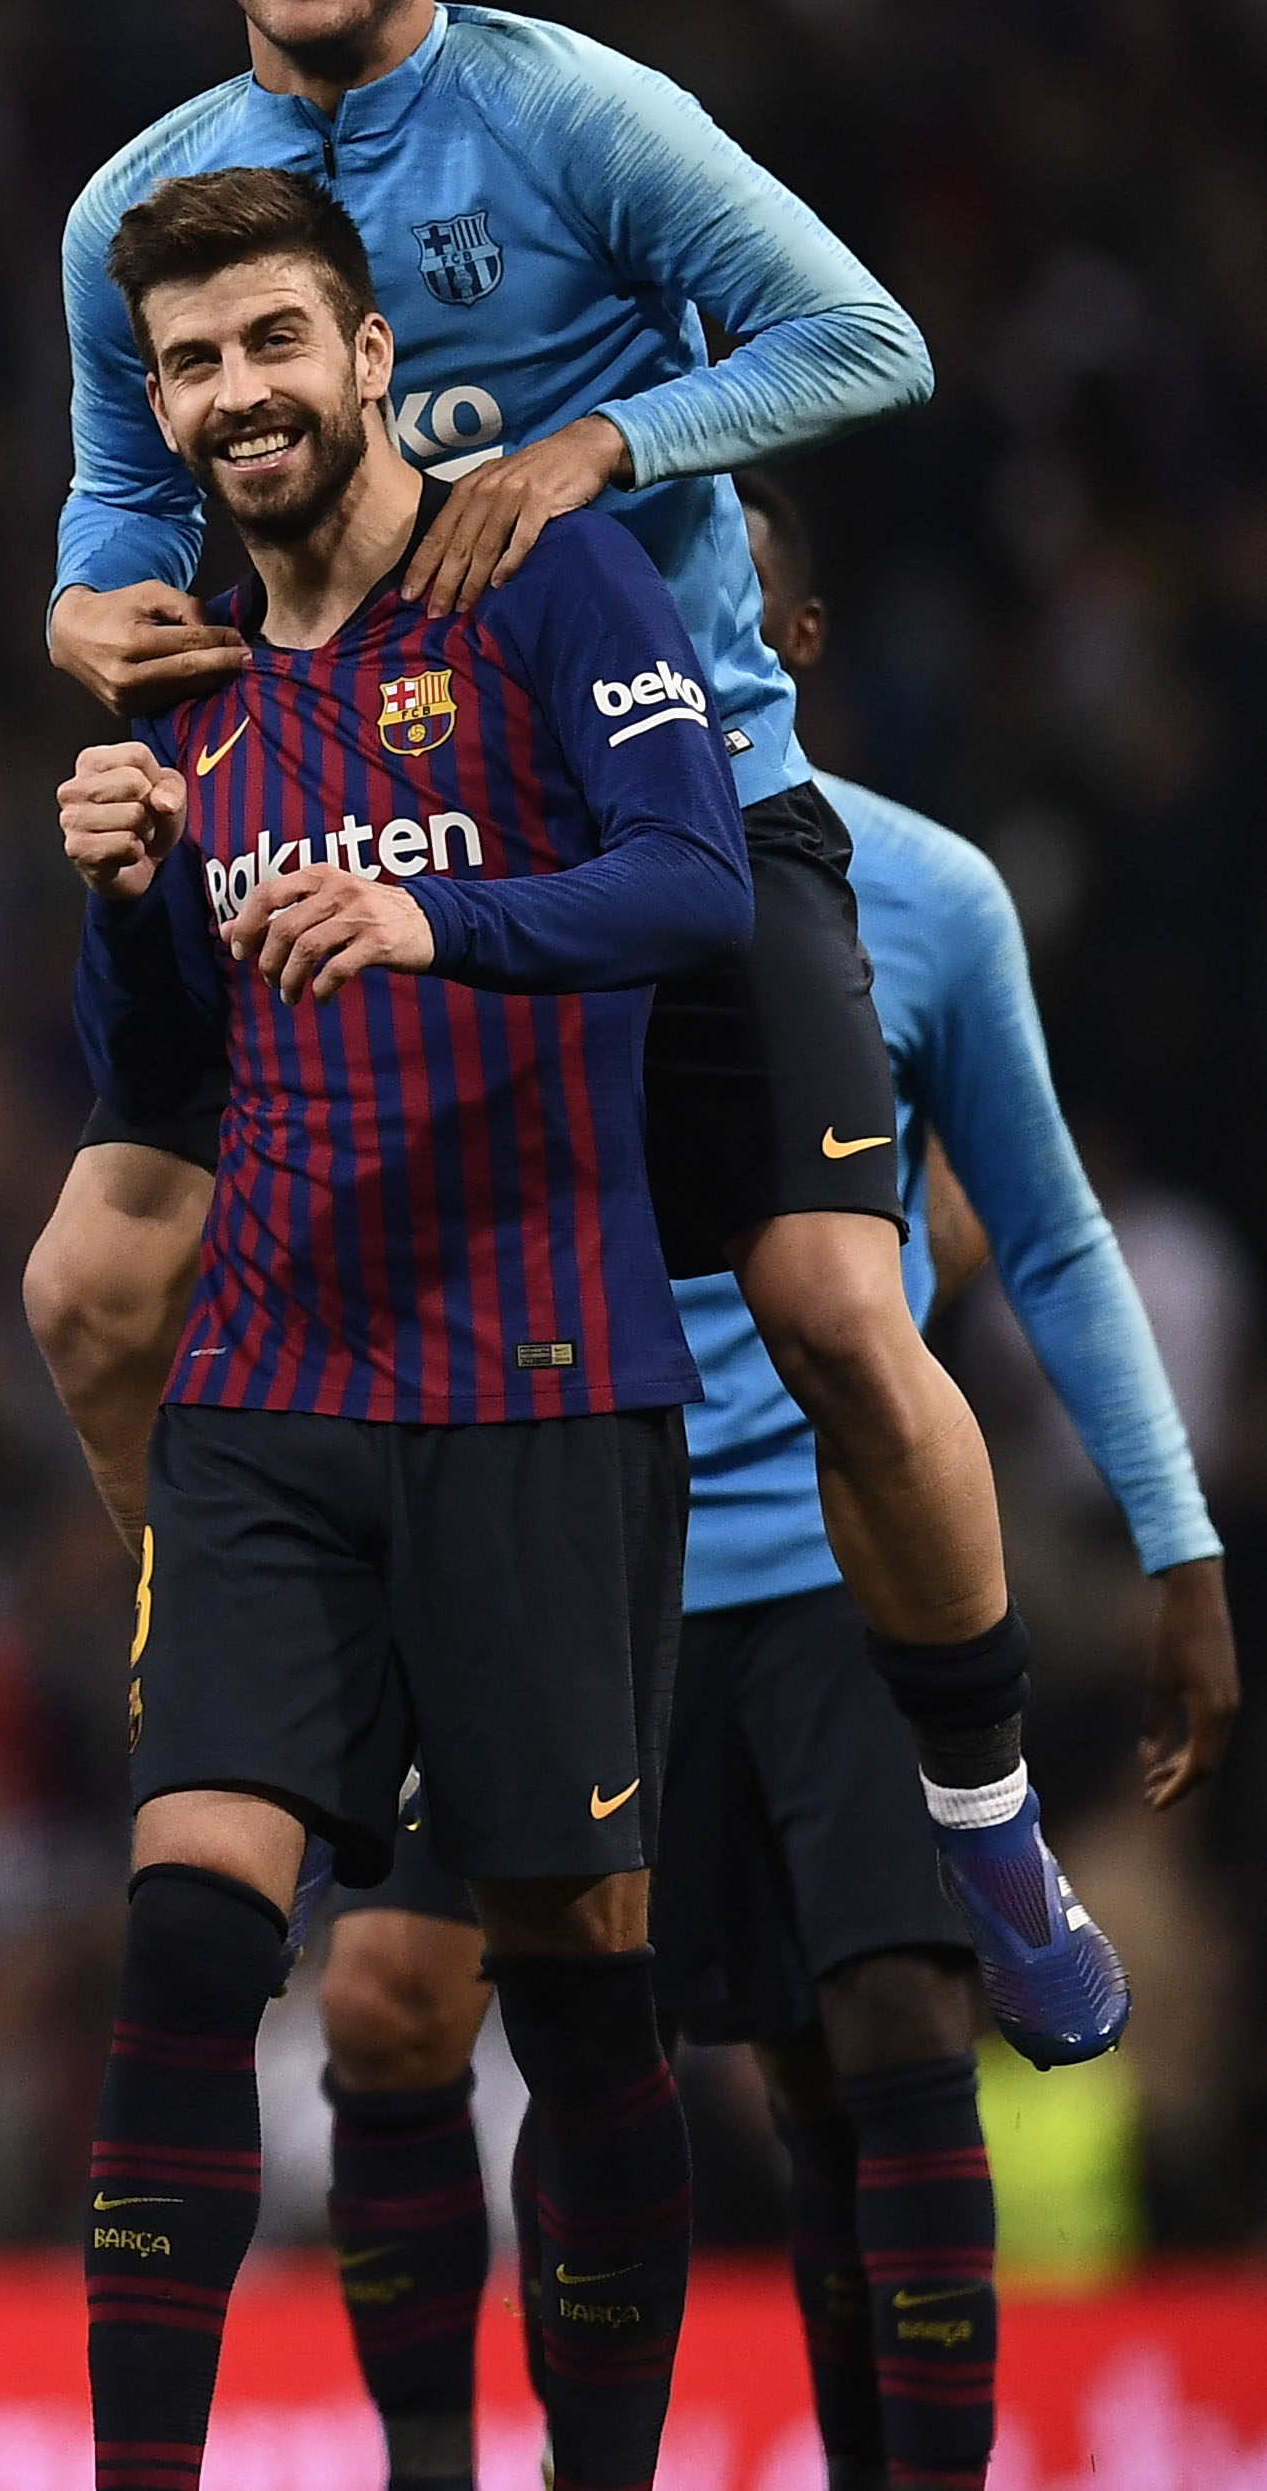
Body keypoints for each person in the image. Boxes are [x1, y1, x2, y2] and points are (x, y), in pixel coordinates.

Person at [25, 0, 1126, 2071]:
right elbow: (115, 497)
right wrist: (79, 605)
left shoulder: (576, 113)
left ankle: (988, 1809)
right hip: (343, 819)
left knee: (835, 1302)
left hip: (671, 794)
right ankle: (273, 1687)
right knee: (97, 1282)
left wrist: (604, 440)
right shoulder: (140, 209)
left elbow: (867, 338)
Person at [301, 475, 1238, 2491]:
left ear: (779, 637)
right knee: (440, 2007)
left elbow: (1038, 1230)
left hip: (826, 1569)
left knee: (875, 2032)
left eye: (693, 604)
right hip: (563, 1543)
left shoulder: (918, 898)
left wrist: (1176, 1540)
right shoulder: (481, 872)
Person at [59, 164, 752, 2491]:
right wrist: (128, 895)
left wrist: (441, 922)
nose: (235, 391)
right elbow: (162, 1068)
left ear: (367, 355)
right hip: (266, 1388)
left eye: (274, 339)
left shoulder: (546, 578)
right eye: (190, 361)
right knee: (186, 1942)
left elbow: (696, 880)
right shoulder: (179, 672)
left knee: (575, 1988)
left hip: (539, 1383)